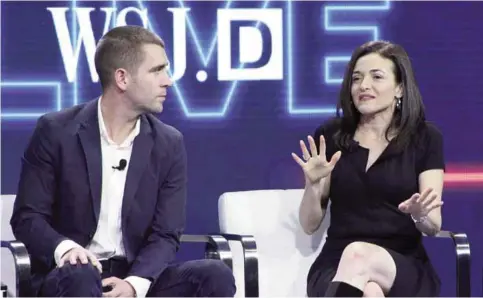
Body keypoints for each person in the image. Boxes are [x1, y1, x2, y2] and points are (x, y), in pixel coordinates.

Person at [10, 25, 236, 297]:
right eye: (157, 71)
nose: (168, 81)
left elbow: (165, 234)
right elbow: (28, 217)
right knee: (82, 275)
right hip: (70, 276)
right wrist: (66, 250)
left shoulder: (168, 143)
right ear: (122, 78)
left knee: (214, 274)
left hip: (135, 276)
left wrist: (134, 284)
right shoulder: (56, 131)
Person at [291, 40, 445, 297]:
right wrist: (313, 184)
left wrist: (420, 214)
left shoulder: (425, 138)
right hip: (336, 263)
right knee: (370, 291)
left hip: (401, 264)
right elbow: (309, 225)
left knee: (360, 256)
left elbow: (433, 225)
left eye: (376, 77)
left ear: (399, 88)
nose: (363, 86)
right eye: (357, 79)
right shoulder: (331, 136)